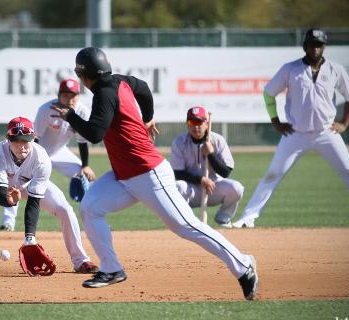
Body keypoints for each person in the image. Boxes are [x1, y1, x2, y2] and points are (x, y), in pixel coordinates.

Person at [52, 47, 258, 300]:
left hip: (149, 174)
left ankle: (243, 265)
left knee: (185, 226)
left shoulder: (104, 94)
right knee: (90, 207)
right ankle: (111, 268)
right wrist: (148, 117)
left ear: (84, 76)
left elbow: (94, 134)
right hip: (124, 176)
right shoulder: (121, 81)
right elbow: (144, 88)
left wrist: (71, 115)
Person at [232, 28, 349, 229]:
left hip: (326, 133)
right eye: (312, 44)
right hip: (296, 133)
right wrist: (276, 121)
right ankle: (248, 218)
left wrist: (344, 123)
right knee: (272, 174)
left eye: (319, 45)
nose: (315, 48)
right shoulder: (290, 69)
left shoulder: (335, 69)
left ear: (324, 47)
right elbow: (269, 93)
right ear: (305, 46)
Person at [0, 117, 98, 276]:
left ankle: (81, 260)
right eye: (16, 141)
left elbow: (34, 202)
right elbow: (1, 196)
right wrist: (8, 201)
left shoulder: (42, 159)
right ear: (8, 139)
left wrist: (30, 238)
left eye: (26, 140)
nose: (21, 146)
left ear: (34, 138)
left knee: (65, 209)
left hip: (29, 186)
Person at [0, 78, 96, 231]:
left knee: (86, 177)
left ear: (78, 96)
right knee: (17, 180)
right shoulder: (46, 109)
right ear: (58, 95)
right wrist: (30, 162)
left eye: (73, 95)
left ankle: (92, 222)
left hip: (60, 152)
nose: (69, 99)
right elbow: (34, 138)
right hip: (40, 151)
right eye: (65, 95)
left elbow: (82, 141)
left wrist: (85, 165)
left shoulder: (82, 111)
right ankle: (7, 223)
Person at [171, 106, 244, 228]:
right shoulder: (179, 142)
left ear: (207, 124)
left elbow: (226, 172)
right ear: (187, 124)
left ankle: (223, 219)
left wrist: (211, 155)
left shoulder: (218, 140)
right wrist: (201, 180)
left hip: (214, 188)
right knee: (178, 187)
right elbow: (178, 173)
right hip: (192, 190)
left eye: (199, 122)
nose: (196, 126)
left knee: (236, 188)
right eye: (192, 122)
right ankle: (186, 221)